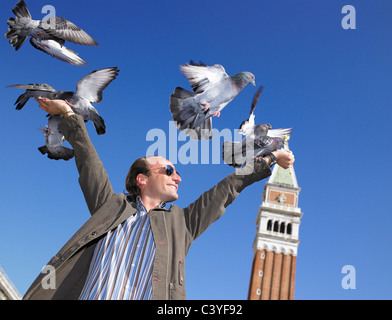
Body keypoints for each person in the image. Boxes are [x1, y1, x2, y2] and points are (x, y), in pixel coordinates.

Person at [23, 98, 295, 300]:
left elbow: (228, 188)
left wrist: (270, 158)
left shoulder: (182, 224)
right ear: (142, 179)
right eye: (168, 170)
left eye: (176, 172)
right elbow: (88, 164)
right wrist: (69, 114)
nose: (177, 176)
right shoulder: (112, 207)